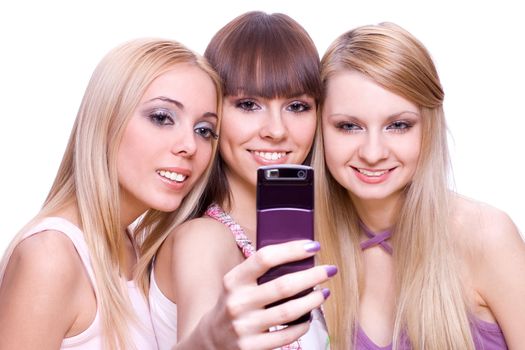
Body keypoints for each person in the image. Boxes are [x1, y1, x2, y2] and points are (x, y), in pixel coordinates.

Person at [313, 22, 525, 349]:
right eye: (348, 126)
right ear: (320, 130)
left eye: (398, 125)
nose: (372, 153)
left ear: (429, 126)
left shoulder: (486, 235)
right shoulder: (305, 248)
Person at [0, 38, 222, 349]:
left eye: (204, 130)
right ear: (107, 119)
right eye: (162, 118)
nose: (189, 145)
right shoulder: (51, 256)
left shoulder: (137, 247)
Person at [144, 11, 336, 350]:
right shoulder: (203, 239)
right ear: (214, 114)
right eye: (248, 104)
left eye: (297, 106)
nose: (276, 130)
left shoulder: (326, 238)